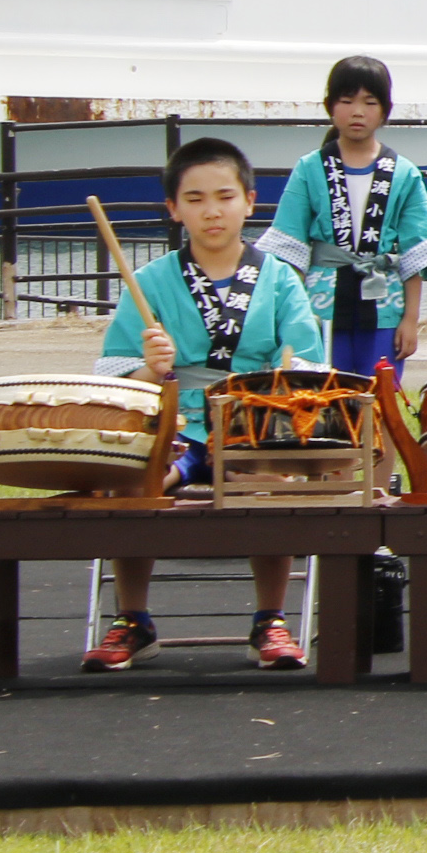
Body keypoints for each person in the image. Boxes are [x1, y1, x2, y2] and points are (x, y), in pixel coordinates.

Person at [83, 137, 328, 672]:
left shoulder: (281, 279)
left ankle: (271, 618)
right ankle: (132, 619)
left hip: (250, 423)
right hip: (177, 422)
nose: (211, 211)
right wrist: (150, 366)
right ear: (173, 209)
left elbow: (308, 367)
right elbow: (113, 379)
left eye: (223, 196)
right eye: (194, 199)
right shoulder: (148, 282)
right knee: (134, 479)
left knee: (271, 479)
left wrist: (281, 380)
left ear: (250, 201)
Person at [263, 56, 427, 380]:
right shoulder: (309, 168)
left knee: (378, 400)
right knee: (324, 398)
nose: (357, 111)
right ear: (330, 106)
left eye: (369, 102)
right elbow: (289, 248)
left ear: (385, 110)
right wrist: (290, 317)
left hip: (385, 305)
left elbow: (416, 251)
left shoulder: (404, 173)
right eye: (347, 101)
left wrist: (410, 319)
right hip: (320, 308)